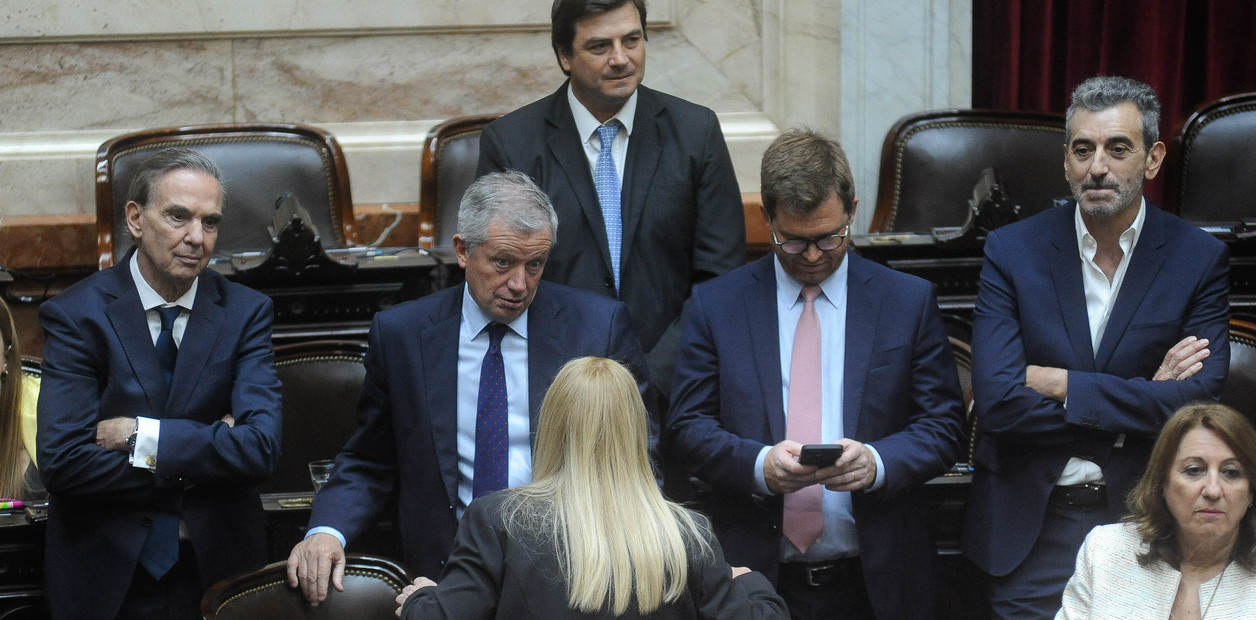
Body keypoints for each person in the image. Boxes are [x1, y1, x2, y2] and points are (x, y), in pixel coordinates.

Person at [287, 170, 651, 606]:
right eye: (503, 262)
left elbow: (637, 460)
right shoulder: (403, 335)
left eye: (534, 264)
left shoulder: (596, 328)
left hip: (570, 579)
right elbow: (370, 459)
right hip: (441, 581)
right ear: (463, 250)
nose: (520, 284)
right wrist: (326, 531)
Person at [666, 129, 967, 619]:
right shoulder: (718, 305)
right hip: (756, 582)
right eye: (793, 241)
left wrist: (878, 462)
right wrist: (758, 465)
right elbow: (687, 427)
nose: (812, 256)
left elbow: (945, 426)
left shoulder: (905, 301)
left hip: (878, 583)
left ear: (852, 210)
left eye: (829, 237)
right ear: (767, 219)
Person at [961, 75, 1232, 619]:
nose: (1098, 167)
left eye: (1118, 148)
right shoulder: (1012, 251)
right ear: (1066, 161)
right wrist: (1141, 401)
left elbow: (1197, 403)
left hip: (1146, 522)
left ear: (1153, 159)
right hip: (1032, 529)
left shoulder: (1196, 258)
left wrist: (1062, 384)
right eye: (1083, 150)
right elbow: (997, 402)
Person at [36, 147, 283, 619]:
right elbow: (64, 463)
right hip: (107, 575)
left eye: (210, 222)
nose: (196, 238)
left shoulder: (246, 313)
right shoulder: (77, 316)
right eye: (178, 216)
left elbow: (261, 449)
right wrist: (210, 450)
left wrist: (139, 436)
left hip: (219, 571)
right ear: (135, 218)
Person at [476, 0, 745, 396]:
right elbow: (499, 278)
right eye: (600, 46)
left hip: (674, 389)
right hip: (555, 390)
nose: (621, 59)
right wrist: (578, 385)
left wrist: (651, 378)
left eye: (632, 40)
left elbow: (720, 277)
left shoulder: (695, 132)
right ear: (565, 55)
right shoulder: (512, 143)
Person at [395, 357, 788, 619]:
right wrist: (749, 582)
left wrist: (421, 598)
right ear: (636, 431)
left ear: (551, 425)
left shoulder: (498, 522)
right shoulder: (687, 536)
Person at [1057, 402, 1256, 619]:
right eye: (1194, 470)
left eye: (1231, 472)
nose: (1213, 490)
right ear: (1162, 483)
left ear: (1251, 490)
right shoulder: (1106, 550)